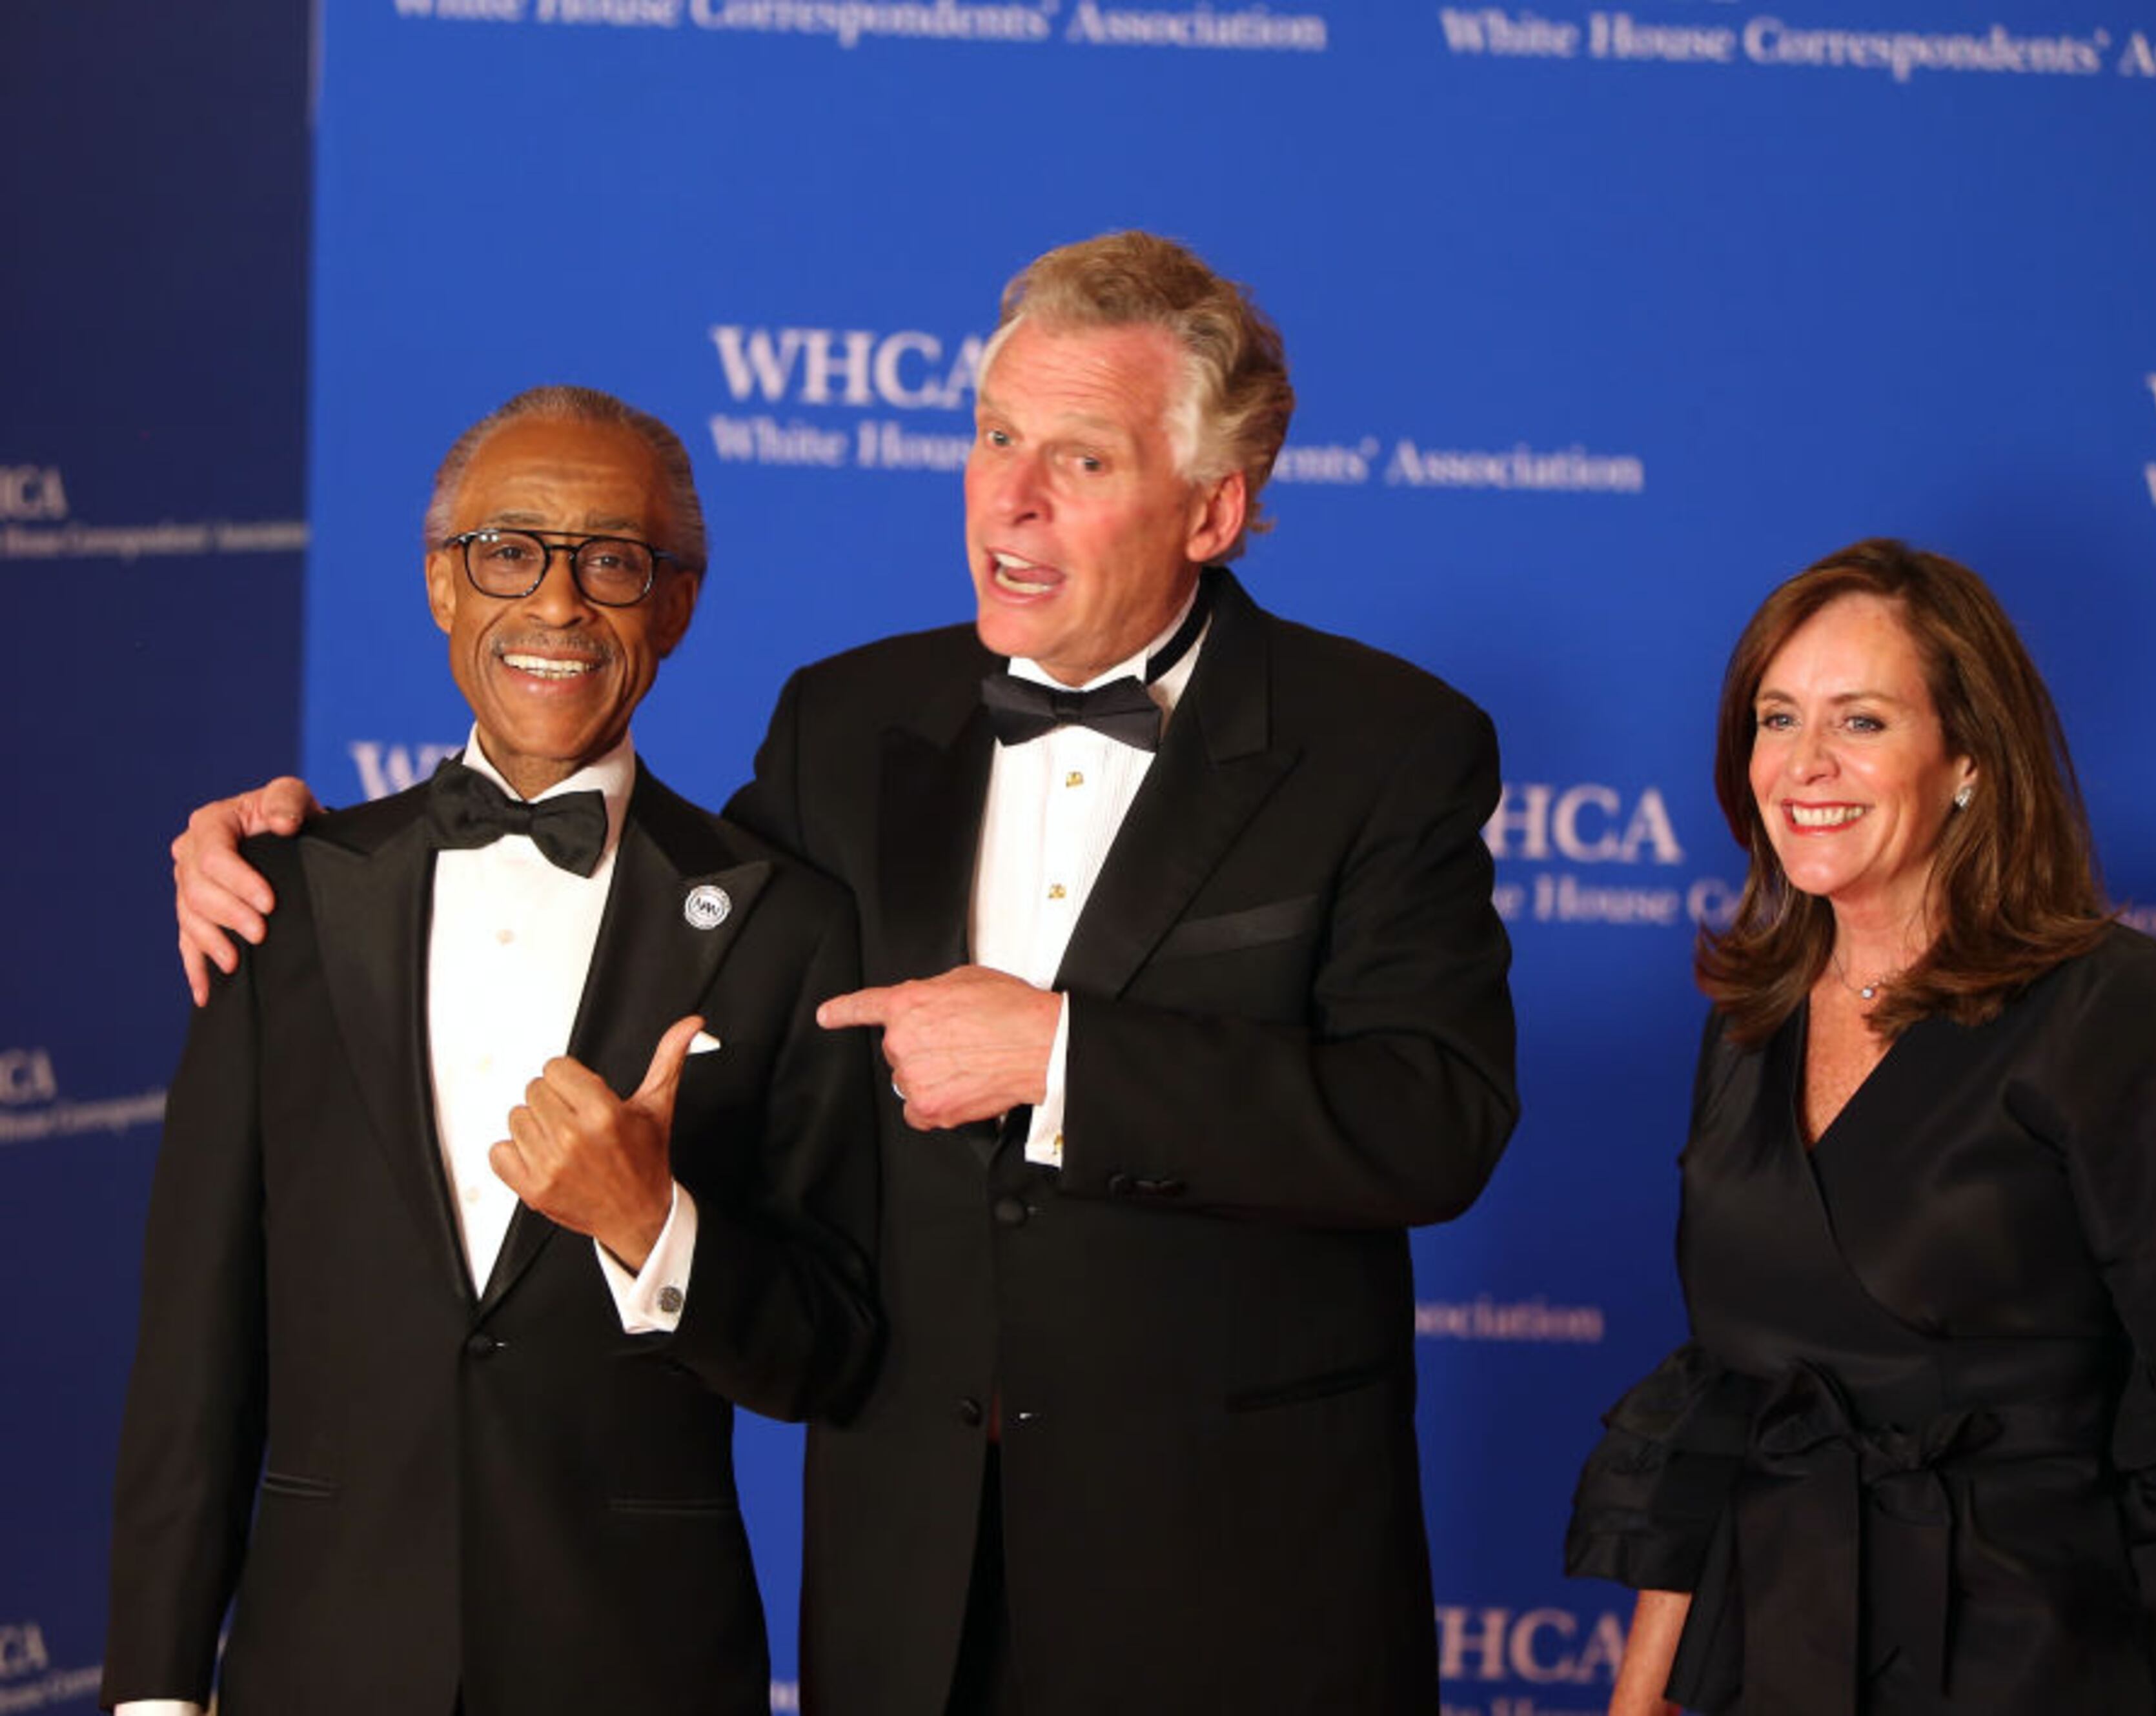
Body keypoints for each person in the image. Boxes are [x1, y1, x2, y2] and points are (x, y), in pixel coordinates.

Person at [167, 233, 1520, 1715]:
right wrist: (301, 853)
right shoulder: (847, 722)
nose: (1006, 497)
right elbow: (634, 902)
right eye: (994, 435)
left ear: (1214, 508)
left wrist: (1063, 1056)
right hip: (906, 1585)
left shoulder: (1387, 744)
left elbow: (1434, 1115)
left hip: (1235, 1589)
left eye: (1078, 460)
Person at [109, 387, 881, 1716]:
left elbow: (831, 1352)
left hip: (638, 1668)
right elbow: (194, 1352)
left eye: (615, 562)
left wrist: (657, 1227)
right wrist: (155, 1694)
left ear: (678, 604)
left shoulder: (783, 922)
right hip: (322, 1666)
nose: (560, 603)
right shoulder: (279, 902)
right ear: (440, 586)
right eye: (509, 551)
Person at [1564, 539, 2156, 1715]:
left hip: (2035, 1659)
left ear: (1968, 761)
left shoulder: (2123, 1007)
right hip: (1784, 1660)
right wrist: (1635, 1705)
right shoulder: (1750, 1026)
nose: (1804, 765)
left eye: (1861, 722)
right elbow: (1726, 1405)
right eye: (1777, 717)